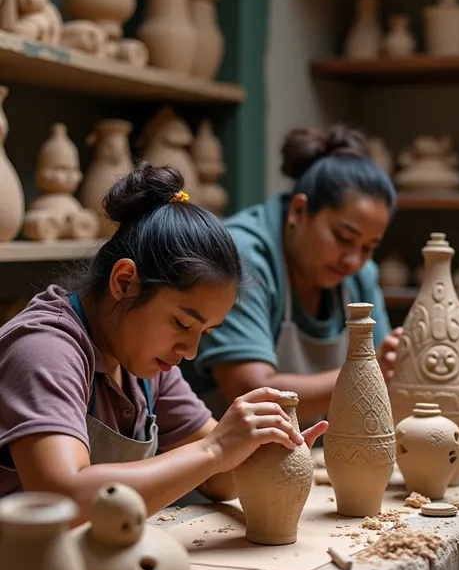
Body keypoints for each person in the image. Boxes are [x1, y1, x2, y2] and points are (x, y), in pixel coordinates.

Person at [0, 162, 327, 521]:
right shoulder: (45, 349)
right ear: (125, 282)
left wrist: (267, 454)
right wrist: (215, 449)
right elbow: (62, 497)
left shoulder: (142, 359)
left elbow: (220, 480)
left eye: (205, 333)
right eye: (182, 323)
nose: (190, 352)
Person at [182, 125, 402, 424]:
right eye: (343, 238)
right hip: (229, 459)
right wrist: (366, 372)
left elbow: (386, 376)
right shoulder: (238, 256)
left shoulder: (361, 273)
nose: (353, 260)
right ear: (299, 210)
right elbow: (250, 390)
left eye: (369, 248)